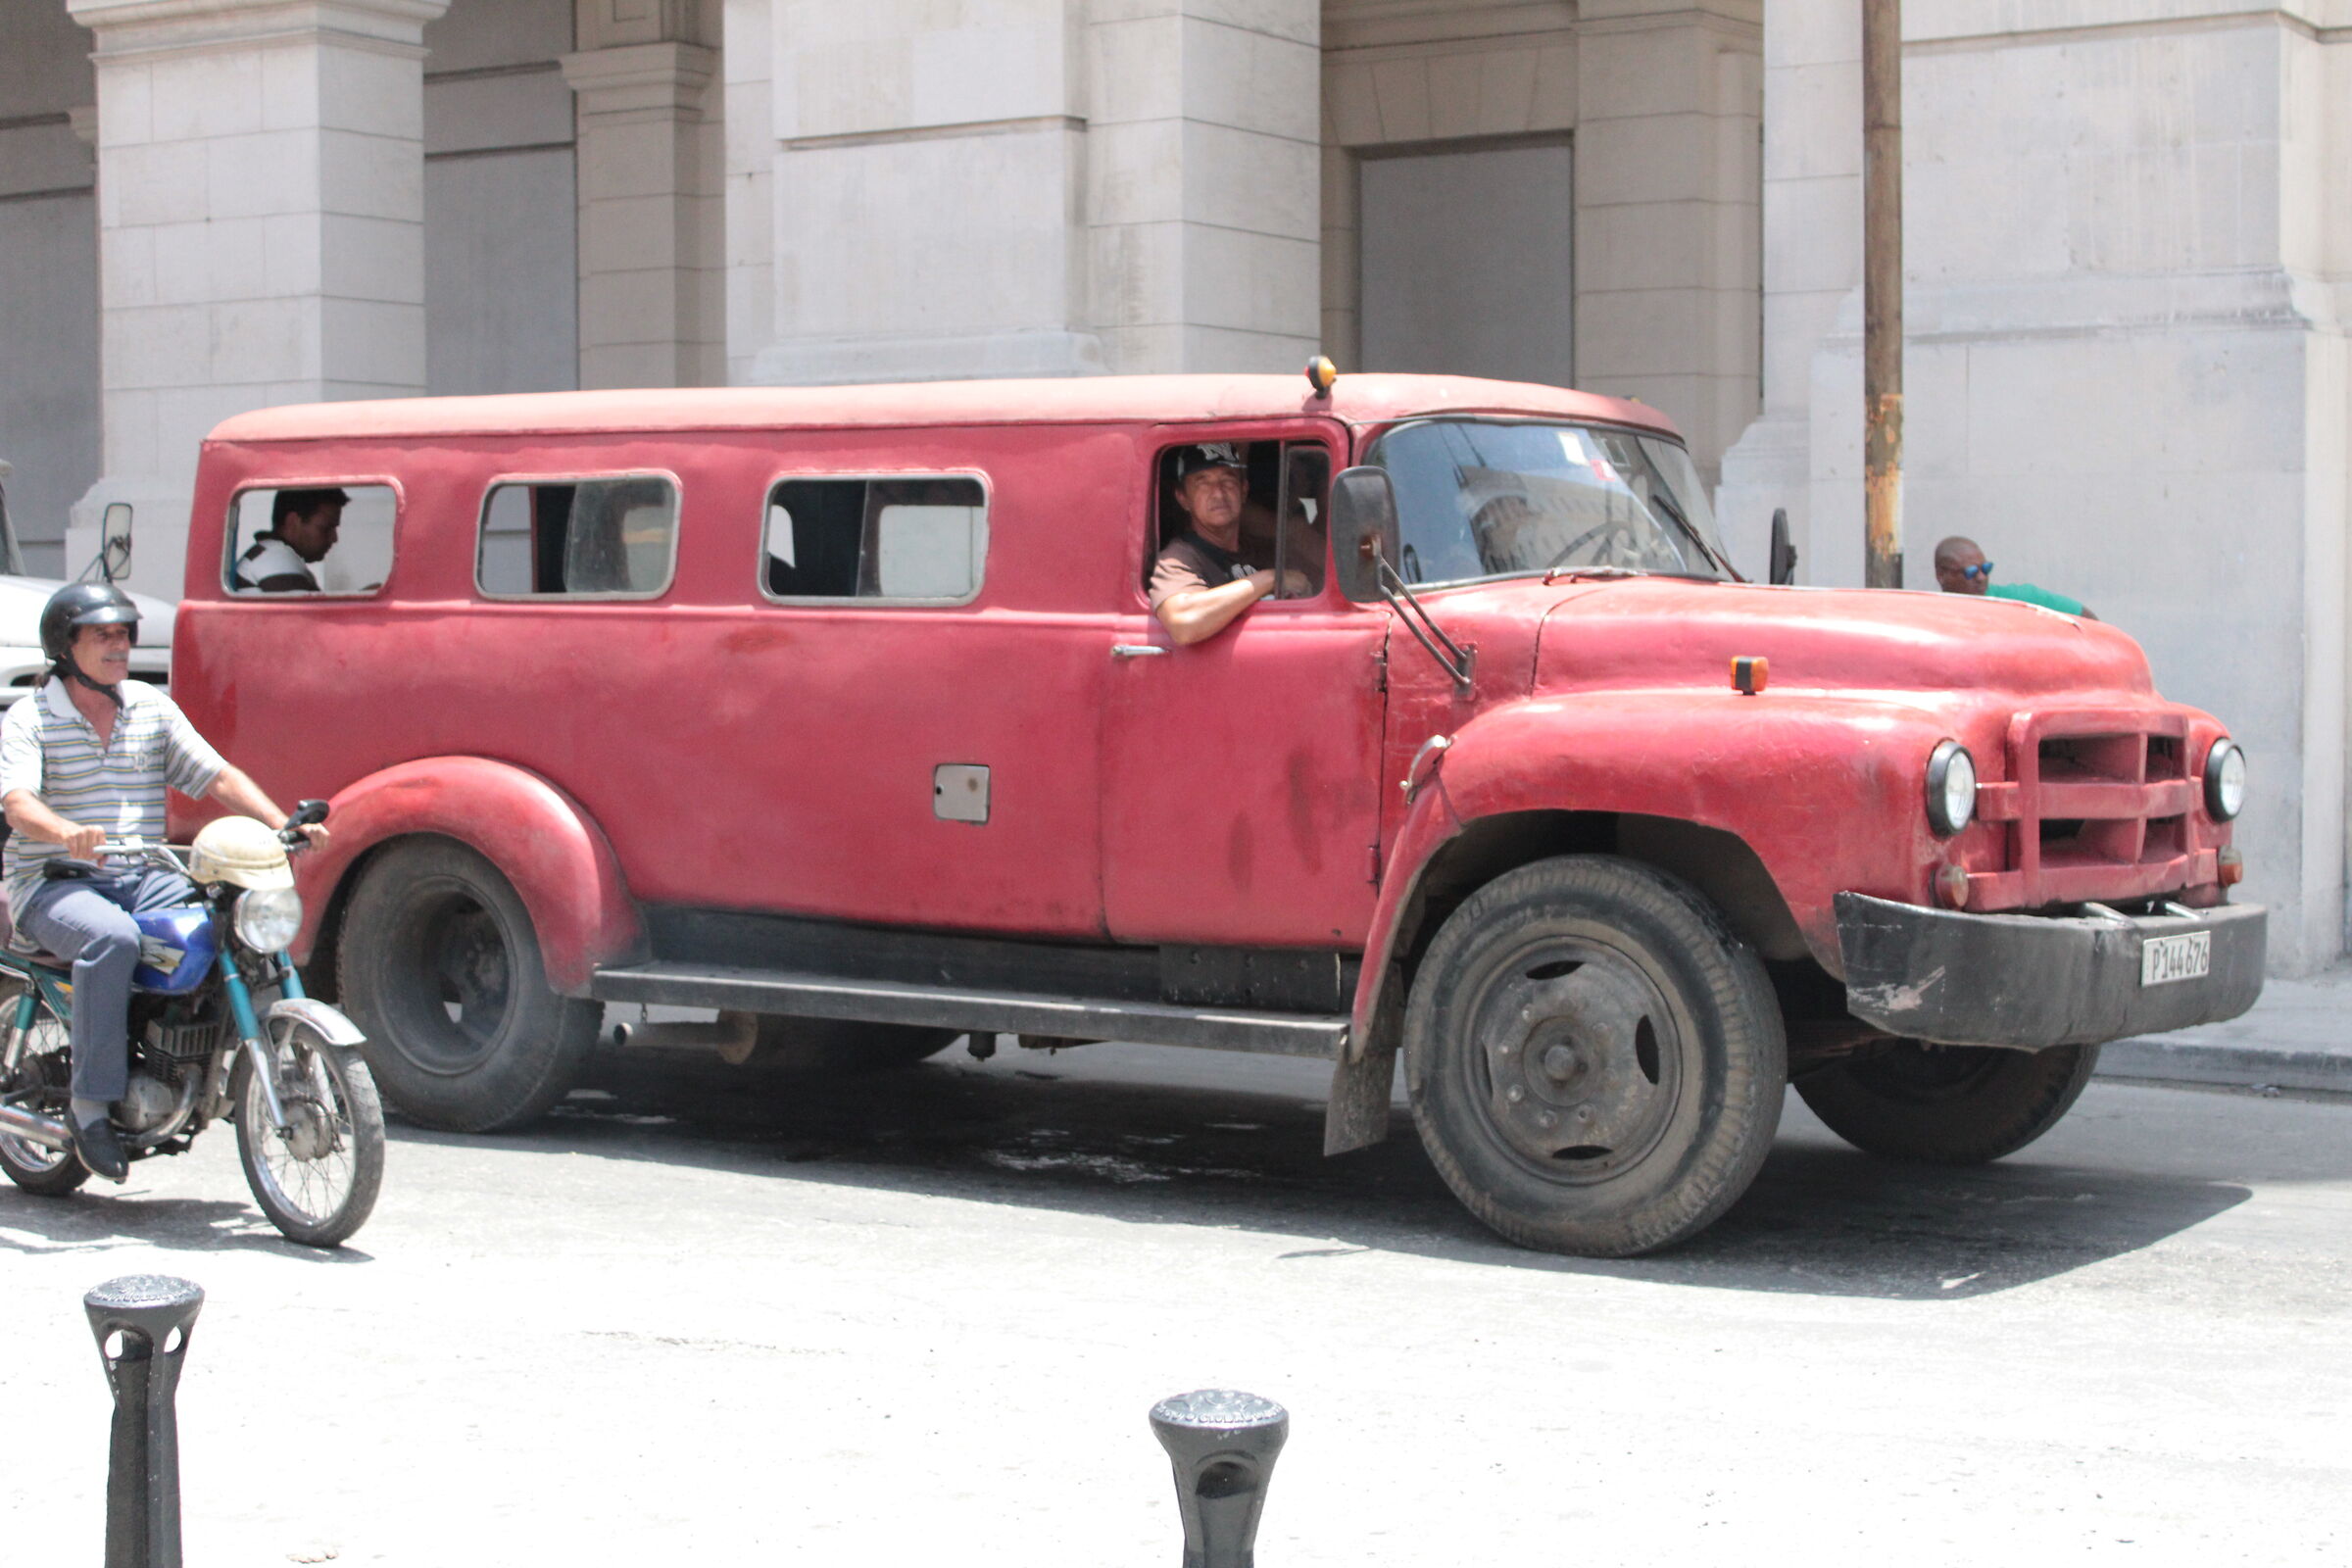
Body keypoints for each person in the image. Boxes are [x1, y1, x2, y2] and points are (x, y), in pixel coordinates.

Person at [0, 583, 327, 1180]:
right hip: (51, 881)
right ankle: (90, 1107)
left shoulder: (149, 707)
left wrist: (280, 821)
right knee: (114, 940)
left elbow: (216, 776)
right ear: (65, 647)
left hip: (141, 873)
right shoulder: (33, 717)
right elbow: (18, 804)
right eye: (103, 635)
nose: (119, 645)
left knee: (227, 909)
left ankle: (206, 1055)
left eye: (124, 633)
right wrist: (65, 829)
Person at [1148, 444, 1308, 645]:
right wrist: (1270, 578)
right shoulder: (1179, 557)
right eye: (1202, 483)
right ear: (1183, 499)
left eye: (1227, 481)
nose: (1218, 494)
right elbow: (1183, 624)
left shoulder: (1263, 551)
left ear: (1243, 491)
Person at [1933, 535, 2097, 619]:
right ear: (1942, 575)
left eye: (1986, 568)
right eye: (1970, 572)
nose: (1981, 577)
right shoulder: (1931, 614)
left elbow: (2088, 619)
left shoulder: (2019, 599)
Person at [234, 486, 346, 591]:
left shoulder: (269, 553)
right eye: (325, 528)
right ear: (292, 522)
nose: (334, 538)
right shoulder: (275, 557)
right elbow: (308, 612)